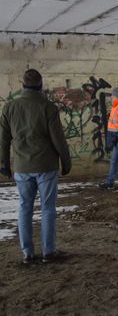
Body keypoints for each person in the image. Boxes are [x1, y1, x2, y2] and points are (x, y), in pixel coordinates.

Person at [0, 69, 71, 264]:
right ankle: (49, 252)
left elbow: (3, 139)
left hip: (22, 167)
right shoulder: (48, 107)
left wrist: (4, 164)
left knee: (25, 208)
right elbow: (58, 139)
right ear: (41, 86)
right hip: (46, 166)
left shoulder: (9, 107)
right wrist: (66, 162)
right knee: (48, 209)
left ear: (22, 85)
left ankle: (28, 253)